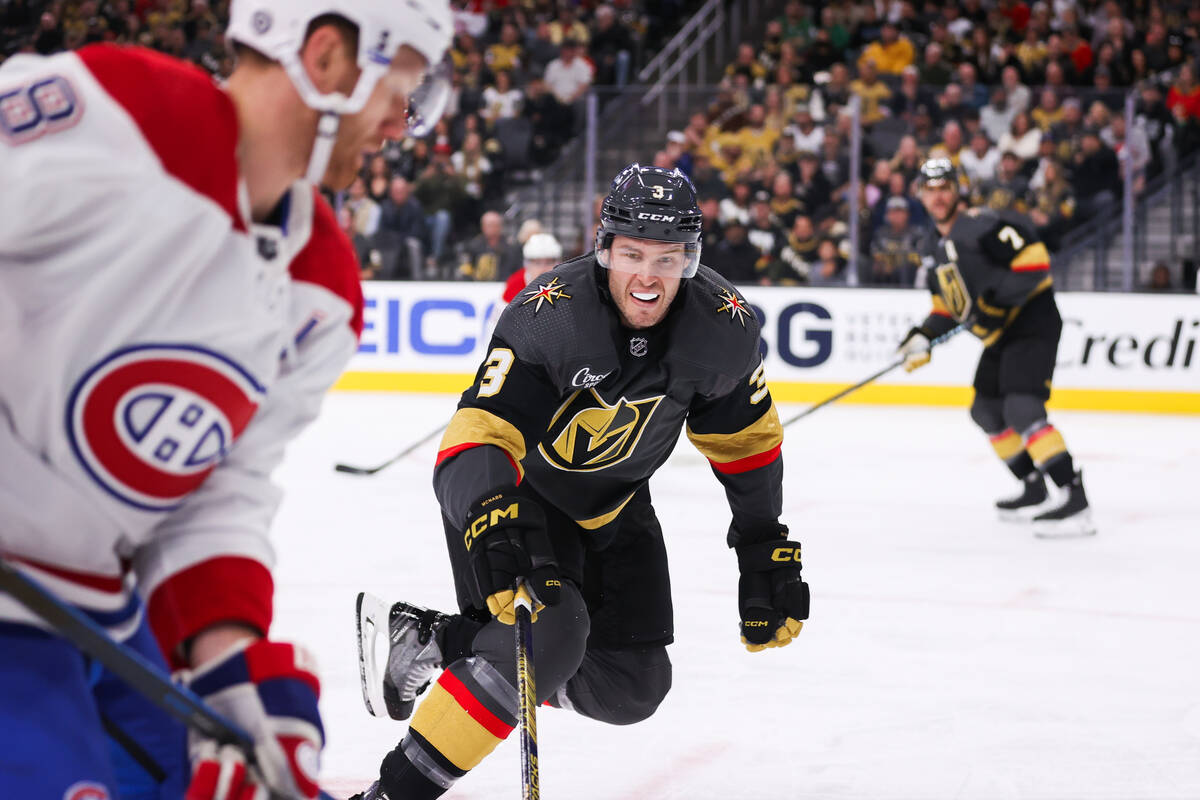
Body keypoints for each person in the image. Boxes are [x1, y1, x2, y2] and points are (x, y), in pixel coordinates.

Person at [0, 2, 452, 799]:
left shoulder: (323, 287)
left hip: (90, 610)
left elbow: (213, 493)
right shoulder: (120, 113)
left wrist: (232, 661)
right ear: (326, 58)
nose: (399, 124)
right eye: (400, 88)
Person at [351, 164, 809, 799]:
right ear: (605, 249)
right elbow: (476, 435)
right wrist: (491, 514)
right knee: (551, 636)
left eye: (668, 259)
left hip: (618, 504)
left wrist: (763, 546)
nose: (648, 277)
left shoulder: (722, 328)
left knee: (633, 687)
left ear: (691, 259)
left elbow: (745, 442)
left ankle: (435, 639)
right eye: (632, 255)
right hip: (520, 502)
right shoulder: (551, 317)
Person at [896, 159, 1094, 538]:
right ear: (920, 194)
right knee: (986, 410)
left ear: (958, 189)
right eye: (930, 189)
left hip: (1031, 322)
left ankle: (1074, 497)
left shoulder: (982, 225)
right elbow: (947, 306)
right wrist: (922, 336)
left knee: (1022, 408)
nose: (938, 196)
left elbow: (1034, 263)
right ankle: (1033, 487)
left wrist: (991, 304)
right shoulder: (931, 246)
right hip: (1000, 335)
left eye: (945, 187)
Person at [502, 232, 563, 302]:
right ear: (527, 264)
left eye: (549, 262)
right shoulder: (514, 285)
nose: (543, 269)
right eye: (537, 263)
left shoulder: (566, 285)